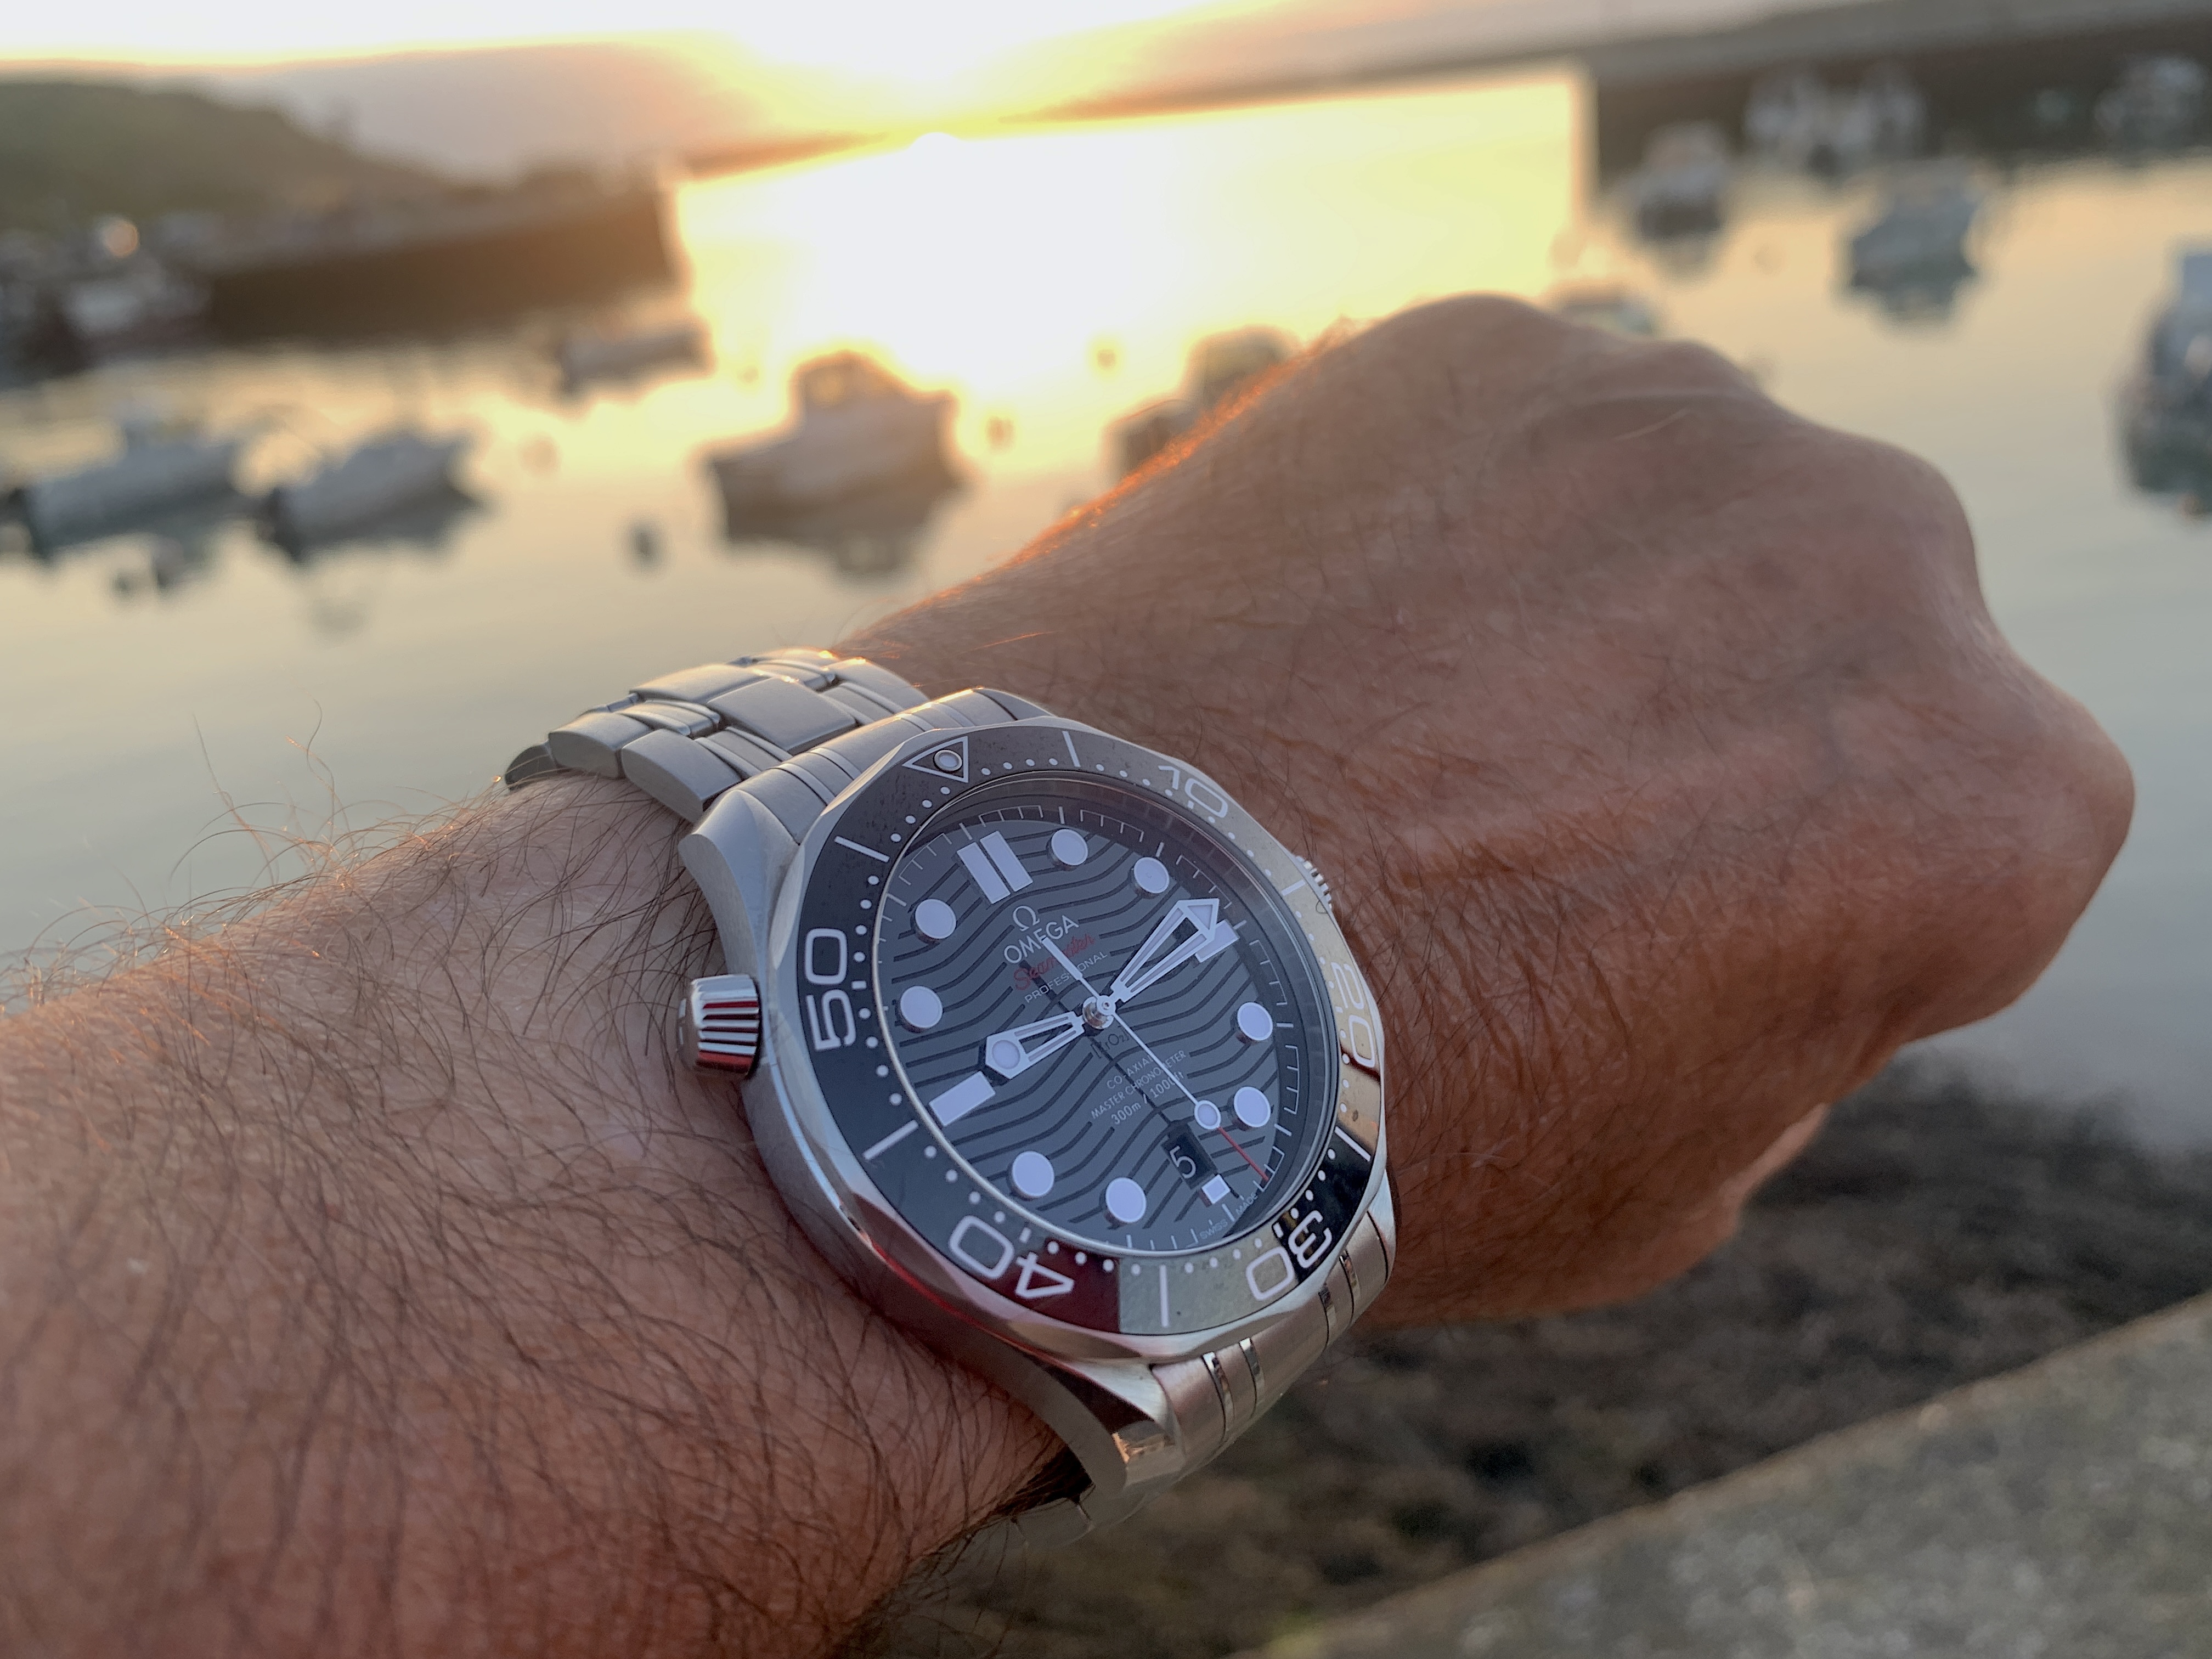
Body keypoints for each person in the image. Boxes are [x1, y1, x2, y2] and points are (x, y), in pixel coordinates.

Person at [0, 297, 2130, 1656]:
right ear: (733, 1031)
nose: (1102, 1010)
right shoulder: (742, 1033)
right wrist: (657, 1195)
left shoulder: (1090, 961)